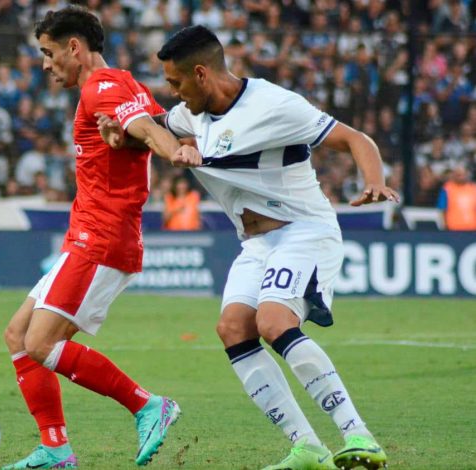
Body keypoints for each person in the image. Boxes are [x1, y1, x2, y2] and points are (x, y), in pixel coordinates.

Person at [100, 26, 397, 470]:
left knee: (273, 320)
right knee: (233, 329)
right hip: (256, 243)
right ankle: (307, 447)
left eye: (176, 82)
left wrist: (374, 182)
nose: (171, 92)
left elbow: (355, 139)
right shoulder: (189, 116)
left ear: (201, 74)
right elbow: (148, 131)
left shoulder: (274, 105)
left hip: (303, 230)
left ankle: (360, 436)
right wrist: (115, 130)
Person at [1, 7, 200, 469]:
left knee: (40, 343)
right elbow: (157, 125)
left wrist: (175, 154)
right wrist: (163, 140)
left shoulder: (101, 86)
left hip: (102, 236)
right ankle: (55, 450)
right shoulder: (123, 82)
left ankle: (148, 405)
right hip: (88, 234)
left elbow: (151, 131)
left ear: (75, 47)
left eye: (49, 53)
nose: (46, 64)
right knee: (17, 334)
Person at [437, 165, 476, 231]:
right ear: (454, 175)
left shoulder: (474, 188)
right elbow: (442, 209)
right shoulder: (447, 188)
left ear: (467, 174)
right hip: (453, 229)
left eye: (463, 174)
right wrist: (444, 227)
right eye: (458, 174)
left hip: (473, 229)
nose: (461, 176)